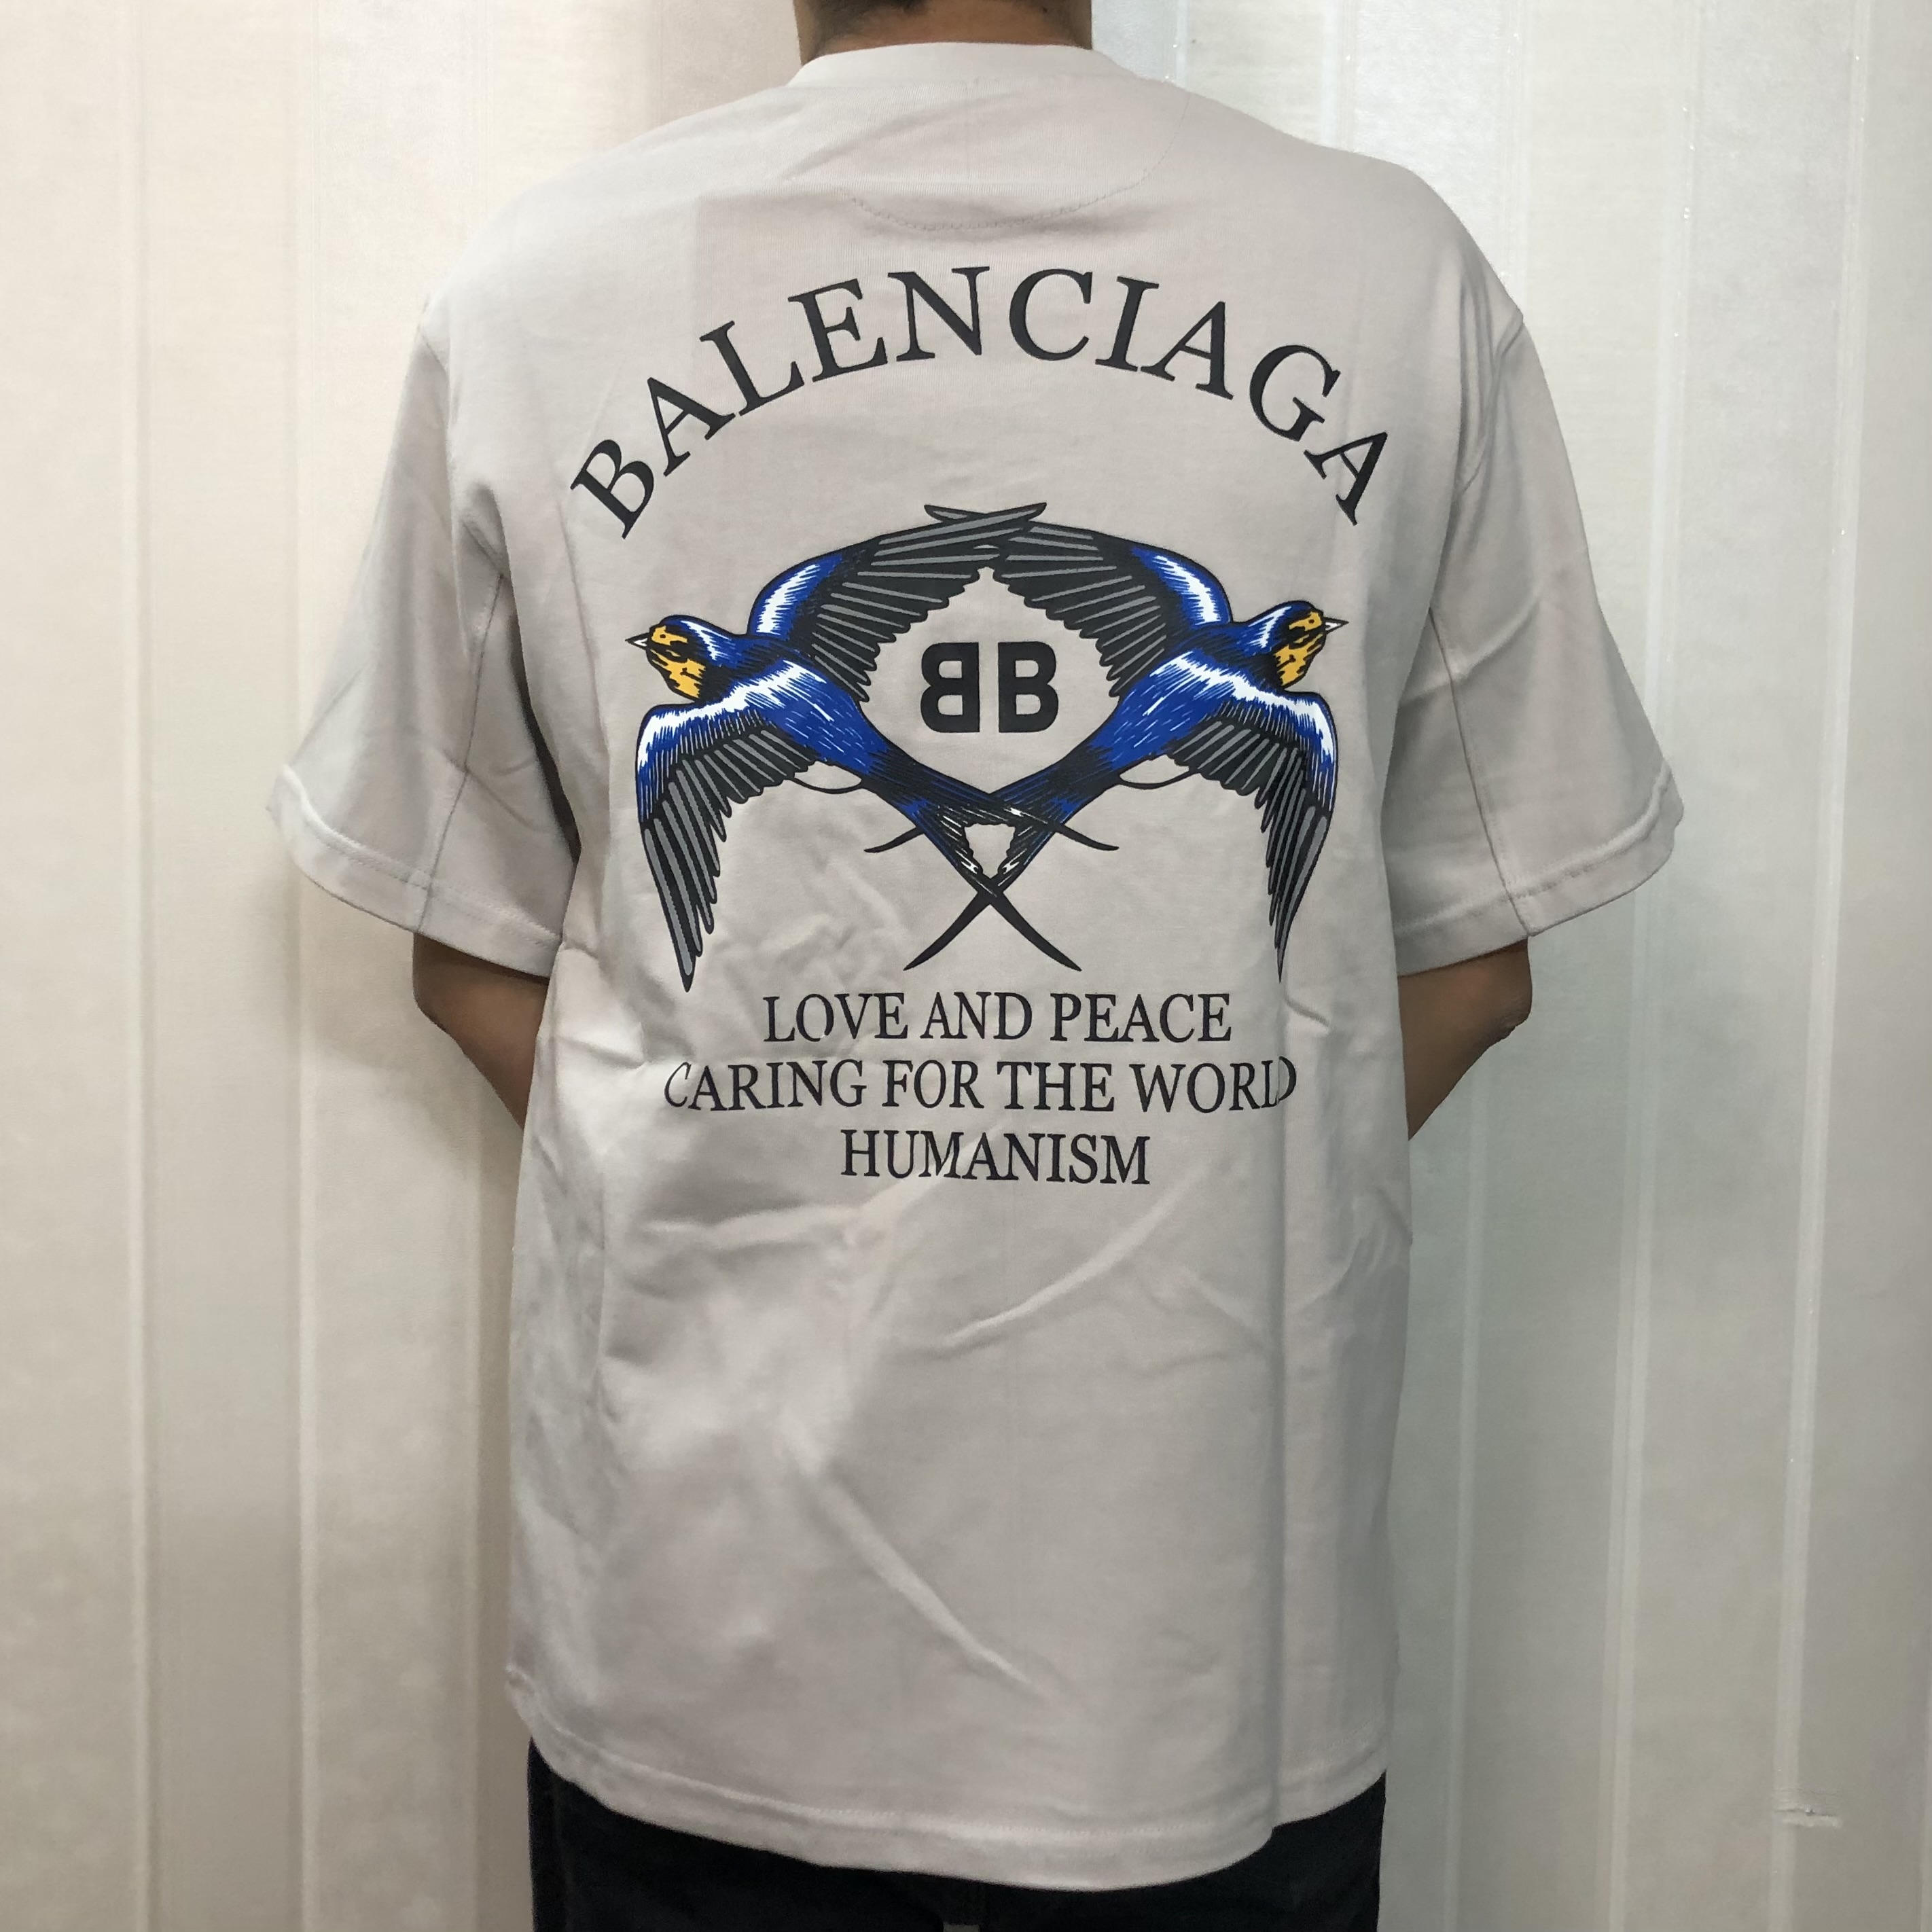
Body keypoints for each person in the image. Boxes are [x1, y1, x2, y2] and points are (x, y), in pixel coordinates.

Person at [271, 0, 1679, 1923]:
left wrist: (759, 1141)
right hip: (1202, 1654)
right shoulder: (1395, 277)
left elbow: (469, 945)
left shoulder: (541, 289)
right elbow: (1473, 958)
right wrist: (1189, 1151)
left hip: (704, 1632)